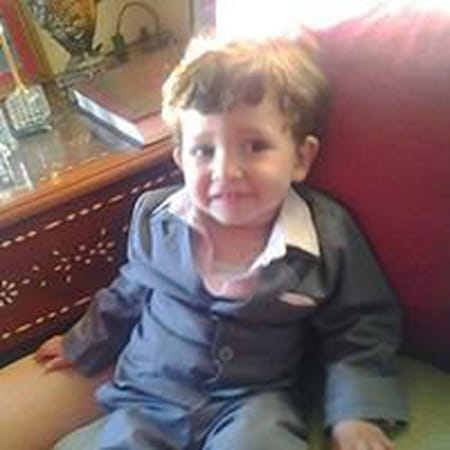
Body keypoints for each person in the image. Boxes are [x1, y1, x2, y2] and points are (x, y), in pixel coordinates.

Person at [35, 33, 408, 449]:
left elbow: (359, 327)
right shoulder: (157, 220)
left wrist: (355, 413)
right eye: (204, 150)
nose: (226, 170)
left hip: (253, 402)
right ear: (180, 159)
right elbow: (126, 293)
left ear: (300, 158)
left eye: (255, 146)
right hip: (149, 393)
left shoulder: (326, 236)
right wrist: (79, 342)